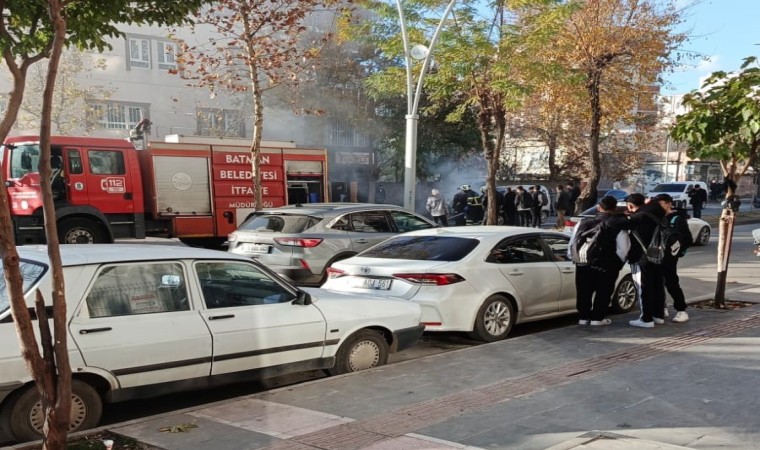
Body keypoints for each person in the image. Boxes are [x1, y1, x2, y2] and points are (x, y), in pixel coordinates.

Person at [569, 195, 630, 326]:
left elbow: (573, 242)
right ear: (615, 208)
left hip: (583, 262)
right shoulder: (617, 224)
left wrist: (574, 257)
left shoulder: (582, 222)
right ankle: (597, 318)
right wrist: (618, 263)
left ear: (598, 207)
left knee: (584, 291)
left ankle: (583, 317)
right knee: (604, 291)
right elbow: (623, 249)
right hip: (606, 264)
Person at [609, 193, 667, 328]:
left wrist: (622, 215)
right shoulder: (658, 214)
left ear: (630, 205)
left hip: (642, 257)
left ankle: (646, 319)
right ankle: (658, 316)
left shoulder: (639, 217)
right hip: (658, 256)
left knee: (643, 288)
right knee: (658, 286)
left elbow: (611, 222)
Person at [655, 194, 692, 323]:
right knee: (657, 283)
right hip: (656, 256)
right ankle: (661, 307)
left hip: (669, 257)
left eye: (661, 204)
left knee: (671, 283)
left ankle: (681, 310)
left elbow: (687, 239)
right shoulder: (656, 217)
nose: (658, 207)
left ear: (669, 204)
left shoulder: (676, 219)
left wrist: (676, 252)